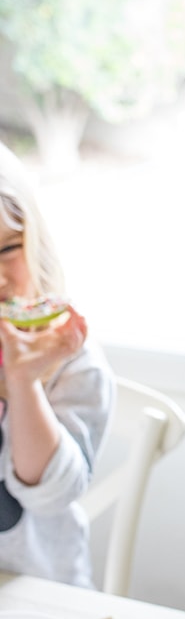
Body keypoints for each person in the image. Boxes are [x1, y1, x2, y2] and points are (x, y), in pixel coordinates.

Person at [0, 141, 114, 587]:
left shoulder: (72, 361)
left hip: (37, 593)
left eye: (9, 249)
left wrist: (24, 382)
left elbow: (53, 493)